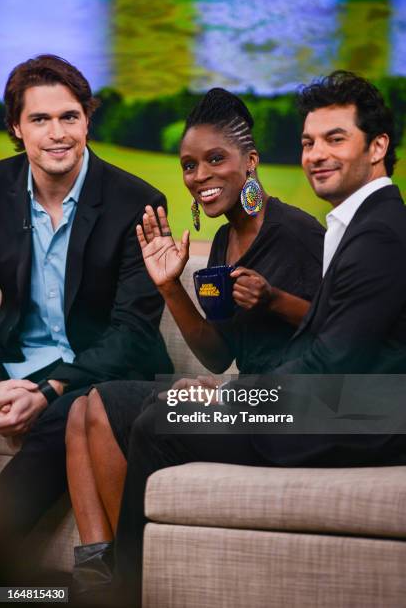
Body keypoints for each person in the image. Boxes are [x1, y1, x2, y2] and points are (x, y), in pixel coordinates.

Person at [91, 71, 406, 606]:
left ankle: (126, 592)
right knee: (151, 409)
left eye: (335, 139)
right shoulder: (358, 226)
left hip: (355, 416)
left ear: (377, 147)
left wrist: (232, 397)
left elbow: (332, 362)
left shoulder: (377, 232)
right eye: (308, 142)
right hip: (337, 404)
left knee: (159, 419)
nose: (314, 155)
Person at [65, 88, 325, 602]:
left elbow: (336, 334)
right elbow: (216, 354)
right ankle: (99, 572)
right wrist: (169, 286)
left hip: (287, 407)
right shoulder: (223, 248)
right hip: (241, 393)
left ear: (250, 162)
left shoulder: (298, 232)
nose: (199, 175)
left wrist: (273, 300)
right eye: (189, 165)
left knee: (127, 406)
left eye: (214, 159)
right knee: (85, 407)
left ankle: (132, 577)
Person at [0, 54, 172, 558]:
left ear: (87, 120)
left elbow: (133, 331)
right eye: (40, 119)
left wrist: (47, 388)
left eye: (69, 117)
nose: (57, 133)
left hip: (100, 374)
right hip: (16, 367)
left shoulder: (137, 203)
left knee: (67, 412)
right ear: (16, 126)